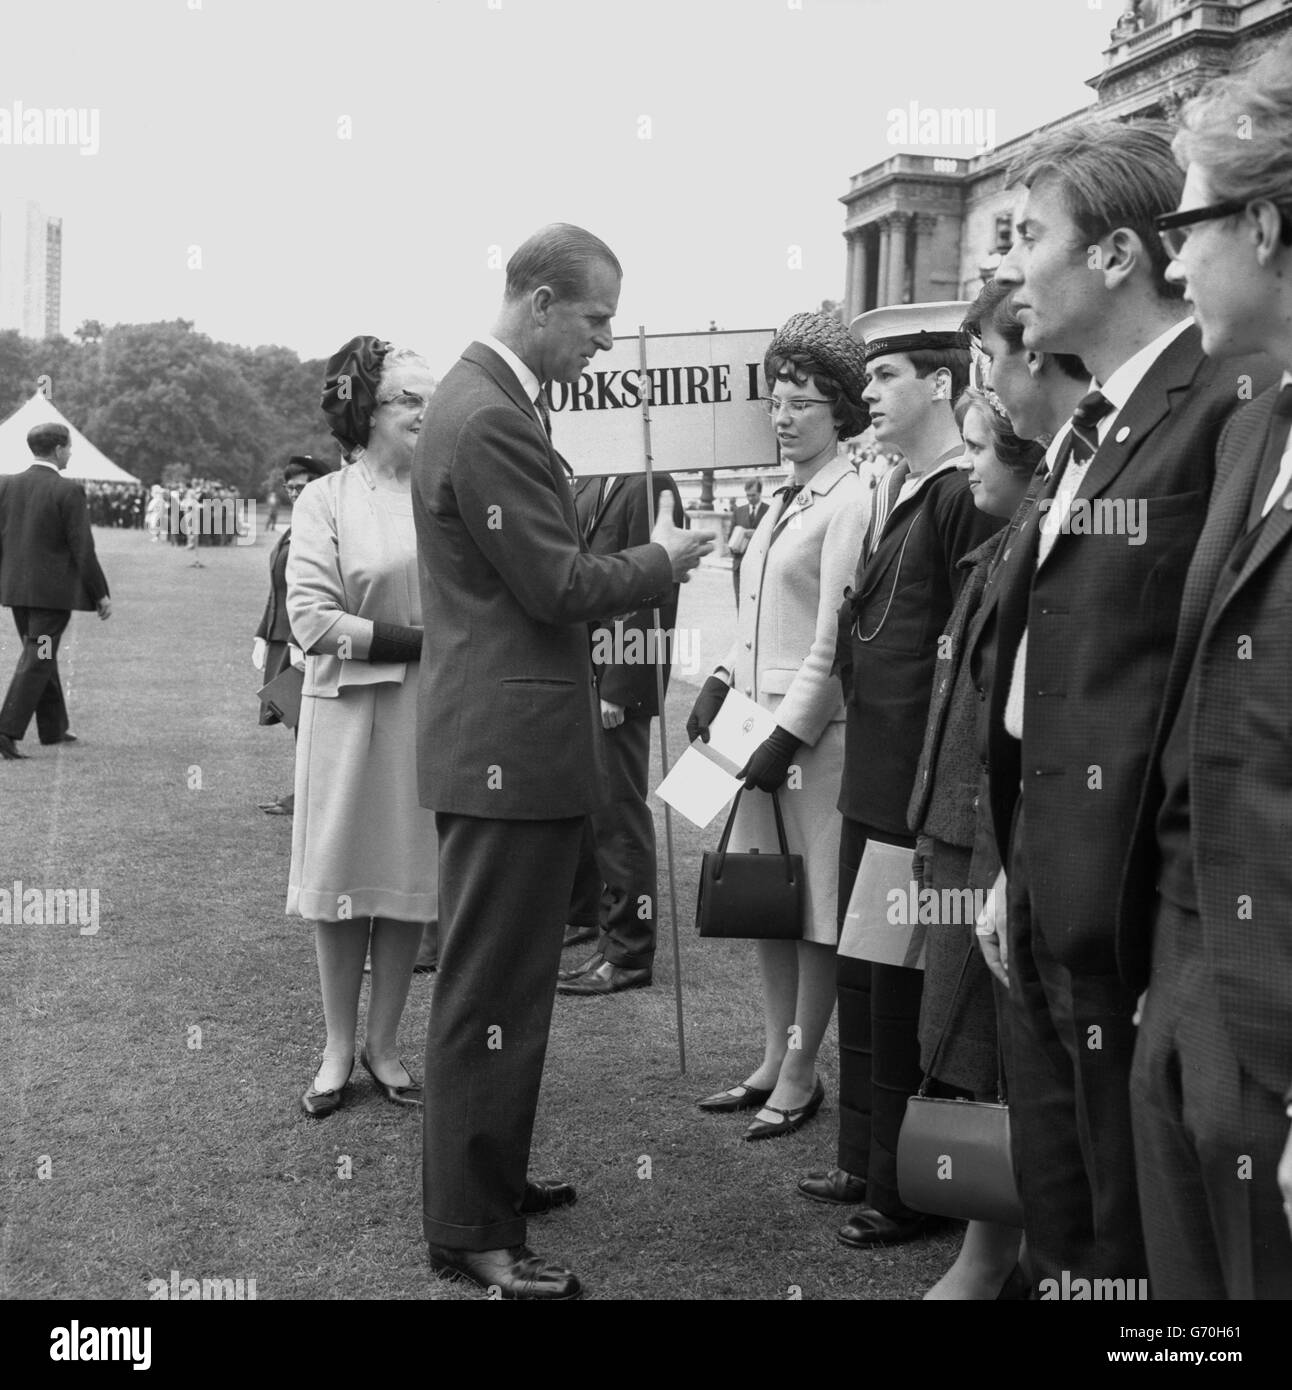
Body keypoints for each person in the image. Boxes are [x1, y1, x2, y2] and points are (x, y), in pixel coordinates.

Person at [974, 118, 1275, 1292]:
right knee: (1067, 1218)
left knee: (1136, 1245)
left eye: (1026, 237)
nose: (1005, 269)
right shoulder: (1084, 431)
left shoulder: (1225, 410)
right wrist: (1010, 864)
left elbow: (1207, 689)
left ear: (1112, 255)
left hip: (1138, 919)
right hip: (1047, 885)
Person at [412, 223, 712, 1301]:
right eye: (593, 321)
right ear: (539, 302)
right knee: (491, 986)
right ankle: (472, 1234)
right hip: (509, 746)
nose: (601, 342)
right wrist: (662, 558)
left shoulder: (484, 401)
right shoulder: (490, 415)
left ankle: (482, 1185)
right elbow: (554, 584)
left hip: (503, 740)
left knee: (504, 985)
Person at [1118, 35, 1292, 1299]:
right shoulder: (1253, 430)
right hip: (1193, 980)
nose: (1173, 258)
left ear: (1266, 225)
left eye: (1187, 224)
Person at [798, 301, 1001, 1248]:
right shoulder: (909, 491)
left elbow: (962, 662)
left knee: (902, 994)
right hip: (874, 787)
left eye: (886, 378)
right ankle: (865, 1162)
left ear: (944, 386)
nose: (866, 393)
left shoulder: (959, 495)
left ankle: (905, 1184)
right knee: (866, 984)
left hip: (909, 799)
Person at [687, 311, 868, 1140]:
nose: (785, 415)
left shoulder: (852, 496)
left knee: (816, 910)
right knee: (769, 903)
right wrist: (721, 681)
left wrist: (786, 737)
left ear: (842, 410)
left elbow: (833, 640)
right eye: (779, 400)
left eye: (804, 402)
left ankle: (801, 1073)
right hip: (752, 727)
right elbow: (757, 617)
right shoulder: (781, 495)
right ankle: (769, 1056)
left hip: (813, 742)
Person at [906, 386, 1042, 1298]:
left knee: (994, 1055)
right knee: (964, 1047)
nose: (967, 466)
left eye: (981, 449)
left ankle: (988, 1256)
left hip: (987, 836)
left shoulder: (1023, 558)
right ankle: (992, 1250)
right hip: (956, 831)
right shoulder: (991, 550)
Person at [286, 335, 438, 1120]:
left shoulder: (445, 493)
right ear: (368, 412)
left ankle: (386, 1045)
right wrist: (421, 643)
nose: (424, 410)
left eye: (429, 398)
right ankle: (337, 1048)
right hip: (347, 711)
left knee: (408, 883)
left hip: (426, 713)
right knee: (342, 885)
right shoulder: (324, 500)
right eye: (409, 398)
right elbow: (311, 619)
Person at [557, 467, 685, 994]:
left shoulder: (651, 482)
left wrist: (619, 685)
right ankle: (598, 922)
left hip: (616, 678)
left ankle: (630, 952)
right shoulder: (591, 482)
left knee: (619, 813)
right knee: (595, 807)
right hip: (587, 673)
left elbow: (657, 593)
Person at [0, 422, 111, 760]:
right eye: (70, 447)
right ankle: (6, 730)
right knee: (39, 656)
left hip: (17, 590)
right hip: (51, 596)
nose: (71, 453)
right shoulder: (68, 491)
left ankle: (53, 727)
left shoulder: (6, 484)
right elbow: (82, 548)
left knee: (39, 654)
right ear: (60, 449)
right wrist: (101, 593)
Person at [253, 454, 333, 816]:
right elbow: (279, 589)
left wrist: (302, 641)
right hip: (282, 637)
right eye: (291, 487)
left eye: (304, 486)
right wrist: (261, 633)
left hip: (304, 639)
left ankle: (308, 798)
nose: (296, 493)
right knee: (297, 721)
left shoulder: (323, 524)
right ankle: (304, 794)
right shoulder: (295, 524)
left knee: (309, 723)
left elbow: (321, 592)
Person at [728, 478, 768, 609]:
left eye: (753, 495)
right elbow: (730, 537)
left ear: (760, 493)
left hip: (760, 566)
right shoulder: (738, 512)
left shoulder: (769, 511)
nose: (750, 498)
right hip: (739, 565)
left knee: (758, 604)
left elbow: (774, 537)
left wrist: (756, 534)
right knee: (740, 601)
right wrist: (734, 546)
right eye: (748, 495)